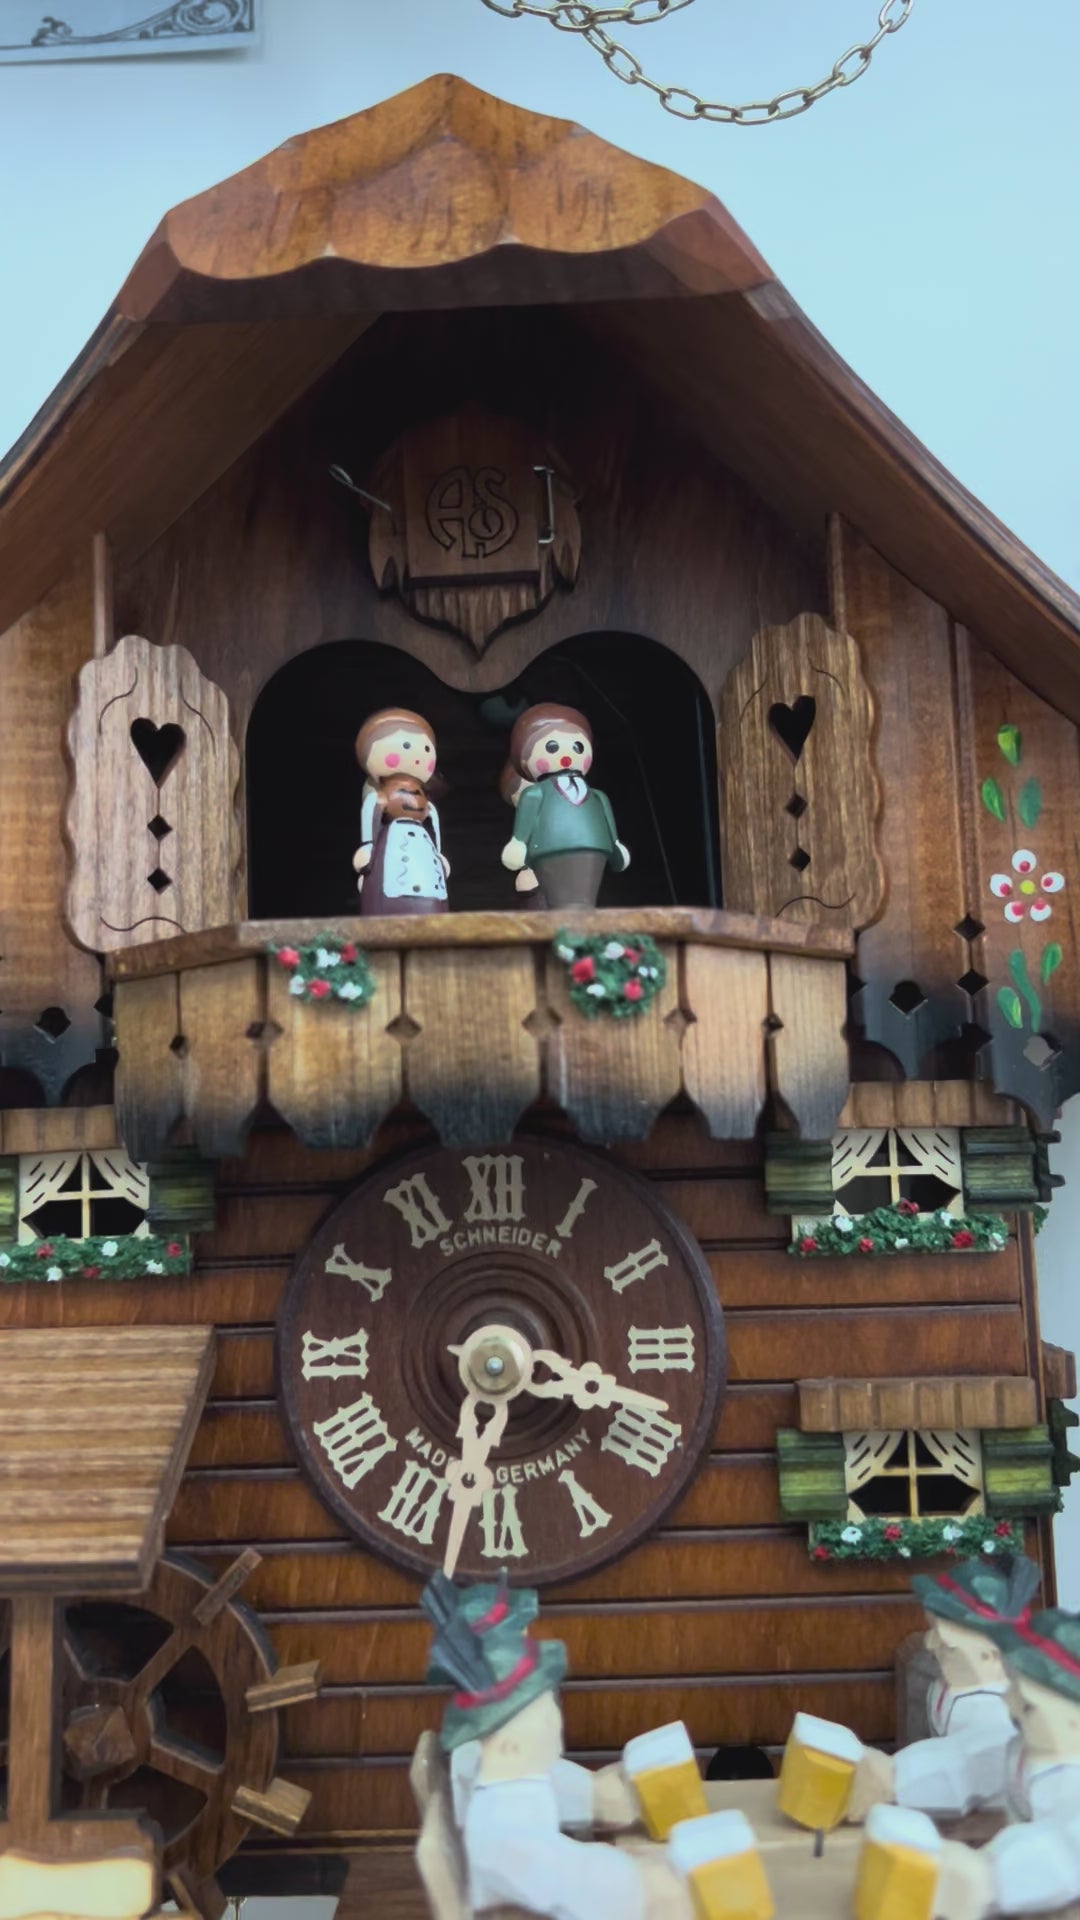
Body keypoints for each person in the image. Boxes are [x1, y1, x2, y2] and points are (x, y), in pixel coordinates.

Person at [421, 1573, 689, 1920]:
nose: (557, 1722)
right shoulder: (504, 1825)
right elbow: (565, 1875)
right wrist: (643, 1879)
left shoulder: (510, 1787)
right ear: (509, 1745)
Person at [848, 1554, 1040, 1824]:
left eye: (948, 1645)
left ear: (991, 1655)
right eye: (931, 1629)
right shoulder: (947, 1687)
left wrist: (895, 1778)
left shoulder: (995, 1713)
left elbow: (967, 1770)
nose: (930, 1645)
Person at [935, 1606, 1080, 1916]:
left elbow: (1063, 1850)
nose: (1008, 1703)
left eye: (1028, 1705)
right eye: (1013, 1689)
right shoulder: (1021, 1750)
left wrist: (988, 1876)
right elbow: (968, 1763)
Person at [499, 704, 629, 910]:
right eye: (552, 747)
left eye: (578, 747)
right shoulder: (536, 794)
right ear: (524, 759)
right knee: (558, 901)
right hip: (549, 849)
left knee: (584, 898)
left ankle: (580, 912)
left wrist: (615, 844)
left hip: (592, 846)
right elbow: (526, 821)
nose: (566, 755)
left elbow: (605, 815)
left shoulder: (596, 796)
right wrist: (518, 843)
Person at [352, 707, 449, 915]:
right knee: (390, 882)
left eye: (426, 749)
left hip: (423, 851)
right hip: (393, 845)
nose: (418, 755)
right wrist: (368, 846)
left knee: (431, 891)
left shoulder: (425, 802)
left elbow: (433, 822)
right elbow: (371, 814)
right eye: (405, 746)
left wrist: (439, 854)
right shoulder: (380, 797)